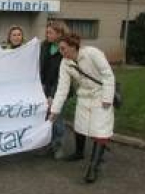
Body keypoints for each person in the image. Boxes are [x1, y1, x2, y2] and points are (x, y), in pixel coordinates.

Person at [49, 33, 115, 183]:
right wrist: (54, 110)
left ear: (73, 47)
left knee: (100, 131)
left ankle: (93, 166)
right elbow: (62, 88)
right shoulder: (65, 63)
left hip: (100, 95)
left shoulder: (92, 53)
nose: (61, 52)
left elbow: (108, 75)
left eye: (63, 48)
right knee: (80, 126)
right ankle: (79, 153)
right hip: (84, 96)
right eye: (60, 49)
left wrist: (107, 98)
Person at [39, 20, 70, 159]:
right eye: (46, 32)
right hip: (46, 87)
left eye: (50, 32)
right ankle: (50, 144)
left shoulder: (65, 49)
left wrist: (53, 95)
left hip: (59, 89)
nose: (47, 35)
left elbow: (62, 77)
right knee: (47, 117)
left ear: (59, 33)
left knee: (56, 118)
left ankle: (59, 146)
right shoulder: (45, 46)